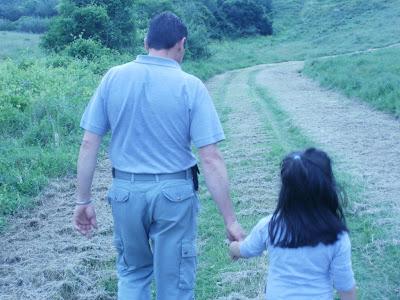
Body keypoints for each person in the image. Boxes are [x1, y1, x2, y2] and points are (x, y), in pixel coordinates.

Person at [72, 11, 245, 300]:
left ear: (145, 42)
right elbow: (211, 157)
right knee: (174, 283)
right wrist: (230, 220)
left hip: (125, 193)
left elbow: (89, 143)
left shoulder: (113, 77)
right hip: (174, 196)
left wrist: (83, 201)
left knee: (132, 274)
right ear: (182, 44)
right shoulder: (191, 86)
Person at [229, 148, 356, 300]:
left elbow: (246, 249)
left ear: (285, 191)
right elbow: (346, 288)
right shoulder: (337, 236)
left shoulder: (270, 226)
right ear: (328, 188)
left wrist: (232, 247)